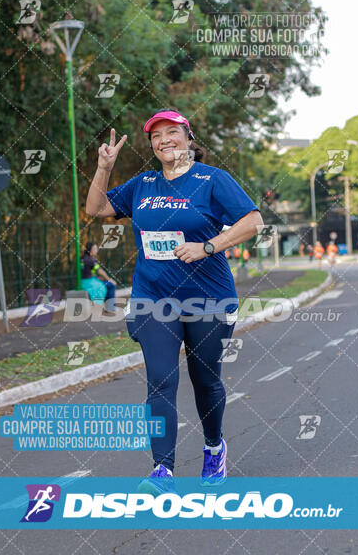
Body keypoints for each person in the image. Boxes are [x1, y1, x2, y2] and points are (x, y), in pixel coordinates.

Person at [86, 109, 262, 493]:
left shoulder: (213, 180)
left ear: (188, 137)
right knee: (160, 380)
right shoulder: (143, 184)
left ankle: (214, 447)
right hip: (154, 298)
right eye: (155, 135)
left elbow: (253, 221)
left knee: (206, 380)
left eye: (172, 133)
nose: (164, 140)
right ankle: (162, 469)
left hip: (208, 299)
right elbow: (96, 210)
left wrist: (208, 246)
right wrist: (104, 167)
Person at [80, 242, 117, 312]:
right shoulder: (91, 259)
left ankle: (108, 307)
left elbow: (87, 272)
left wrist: (96, 277)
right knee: (111, 285)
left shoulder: (82, 258)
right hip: (89, 284)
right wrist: (110, 280)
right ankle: (110, 308)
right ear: (89, 250)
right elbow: (100, 271)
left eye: (96, 248)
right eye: (94, 249)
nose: (96, 250)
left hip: (84, 282)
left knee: (105, 283)